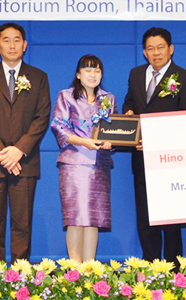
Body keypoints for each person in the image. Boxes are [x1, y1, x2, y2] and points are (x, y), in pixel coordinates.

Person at [0, 22, 51, 266]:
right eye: (6, 40)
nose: (12, 45)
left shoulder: (38, 77)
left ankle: (20, 277)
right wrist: (2, 153)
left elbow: (41, 117)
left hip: (24, 163)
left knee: (22, 225)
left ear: (25, 45)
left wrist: (18, 150)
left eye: (17, 40)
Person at [123, 27, 186, 265]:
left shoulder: (185, 78)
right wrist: (128, 114)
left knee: (170, 218)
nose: (156, 53)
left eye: (160, 47)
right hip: (141, 158)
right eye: (151, 49)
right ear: (144, 52)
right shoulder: (135, 74)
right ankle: (149, 266)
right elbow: (130, 103)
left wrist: (158, 142)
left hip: (170, 161)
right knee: (145, 218)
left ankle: (174, 269)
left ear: (171, 49)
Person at [51, 55, 117, 261]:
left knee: (93, 219)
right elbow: (58, 125)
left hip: (99, 165)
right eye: (88, 70)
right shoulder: (66, 95)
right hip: (74, 164)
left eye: (97, 71)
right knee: (76, 219)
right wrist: (84, 141)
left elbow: (115, 129)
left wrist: (110, 142)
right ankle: (75, 271)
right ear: (78, 74)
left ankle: (90, 270)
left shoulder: (108, 98)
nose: (93, 74)